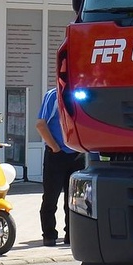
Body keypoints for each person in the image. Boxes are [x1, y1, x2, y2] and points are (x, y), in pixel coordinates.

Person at [37, 86, 83, 247]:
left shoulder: (83, 93)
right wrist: (55, 147)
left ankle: (71, 235)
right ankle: (49, 235)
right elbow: (40, 124)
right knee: (51, 197)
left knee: (74, 199)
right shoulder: (53, 95)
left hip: (77, 154)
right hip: (57, 154)